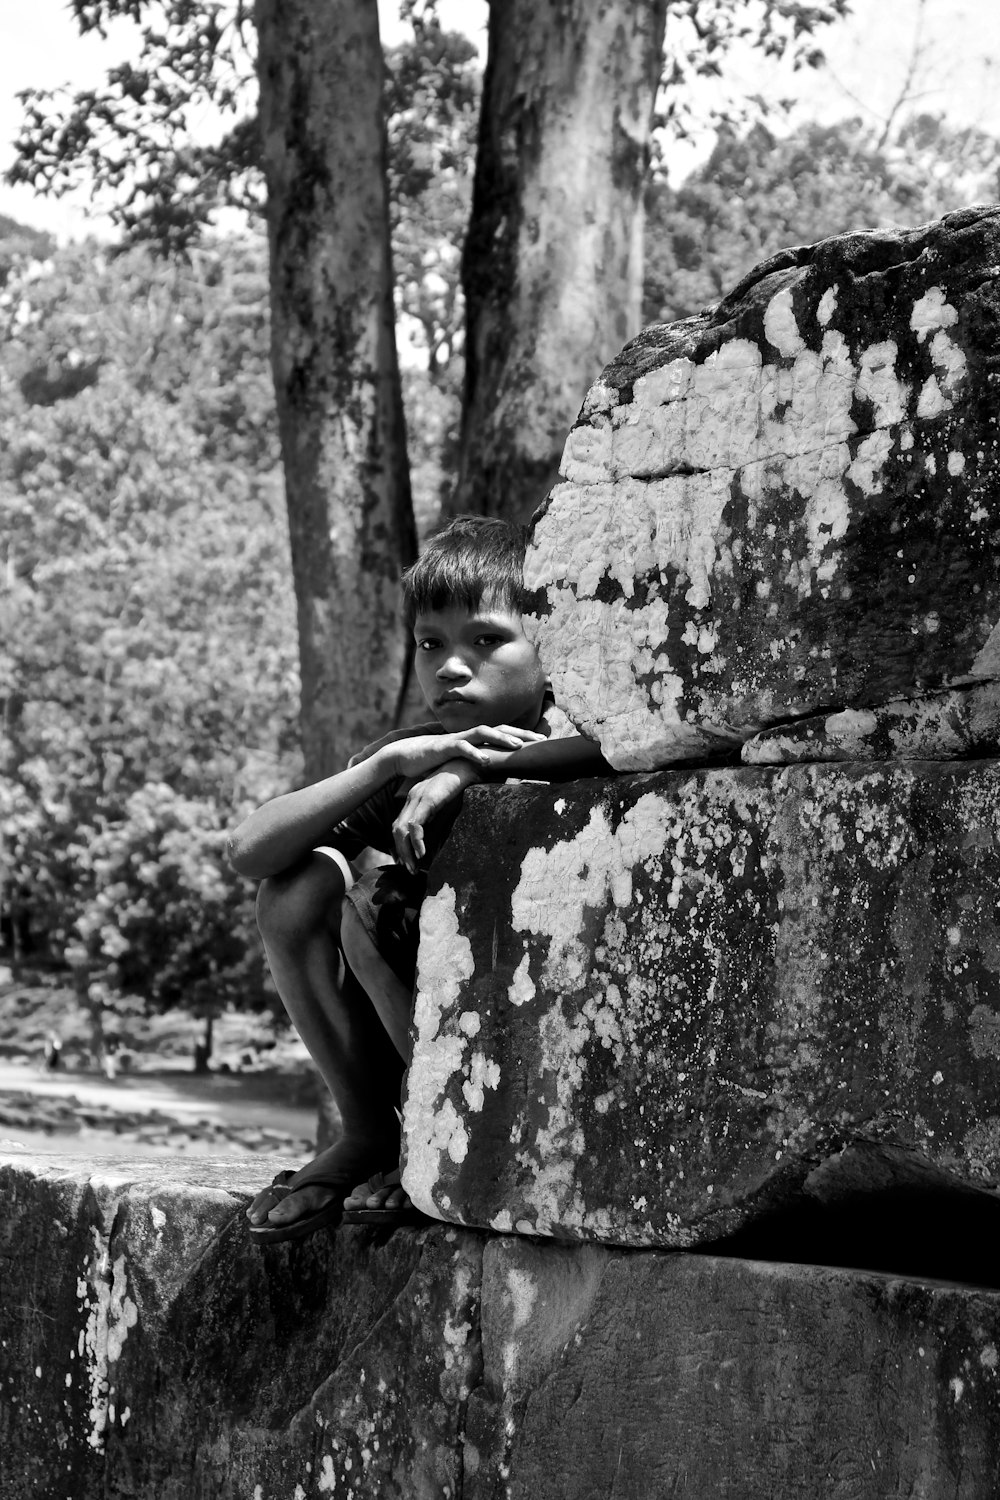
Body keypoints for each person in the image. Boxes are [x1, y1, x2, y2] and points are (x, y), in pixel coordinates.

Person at [228, 515, 607, 1243]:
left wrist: (478, 767)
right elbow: (250, 853)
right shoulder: (414, 753)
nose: (451, 666)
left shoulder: (591, 727)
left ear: (548, 643)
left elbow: (610, 752)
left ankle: (439, 1139)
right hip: (421, 1030)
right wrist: (389, 766)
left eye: (486, 640)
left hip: (542, 1052)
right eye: (431, 643)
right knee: (308, 888)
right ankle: (373, 1132)